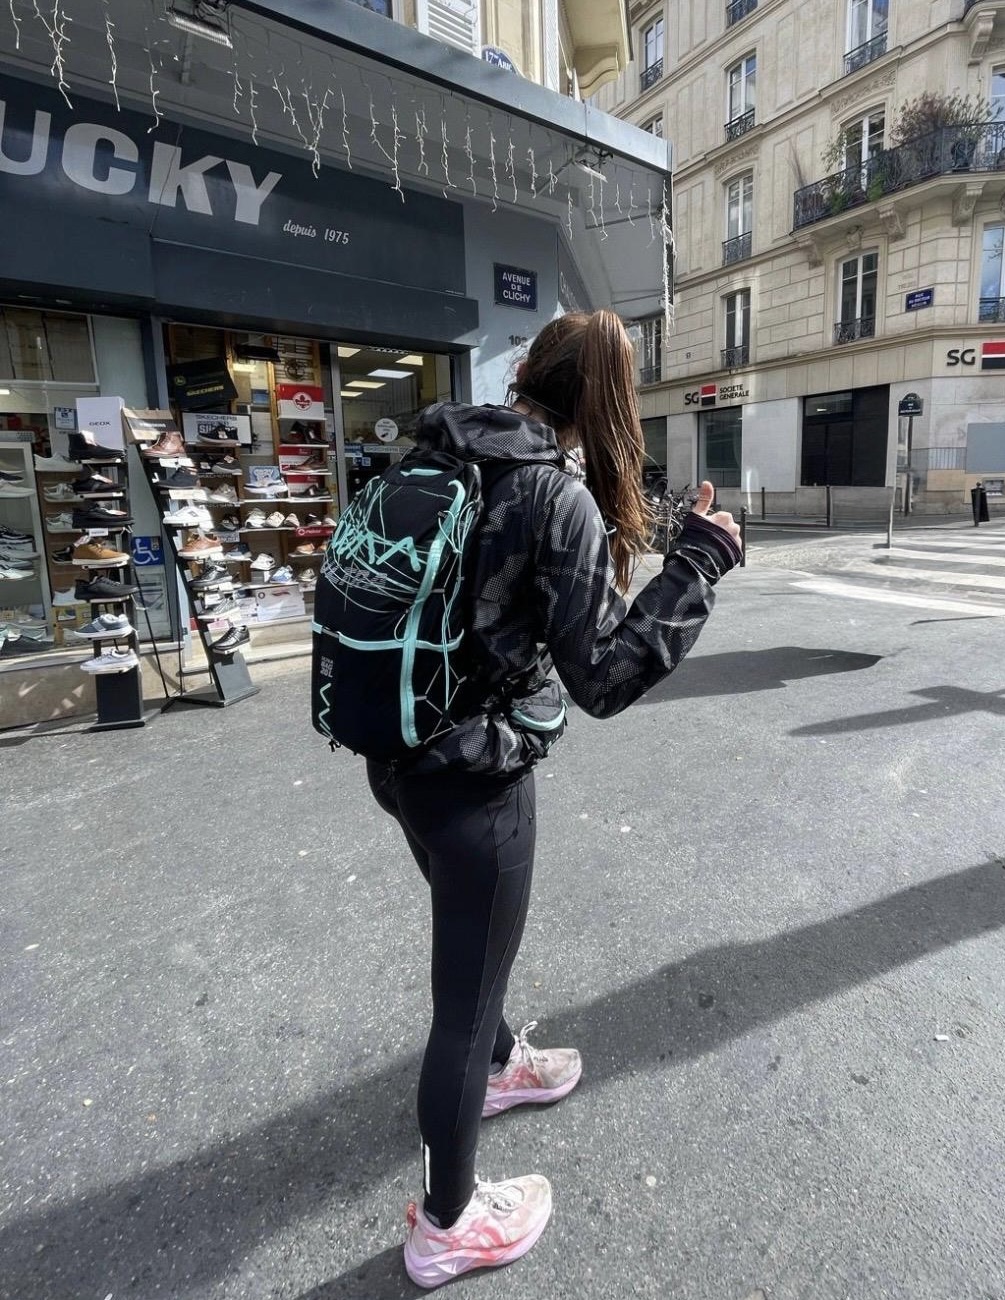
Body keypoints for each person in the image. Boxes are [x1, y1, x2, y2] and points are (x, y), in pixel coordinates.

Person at [365, 309, 743, 1289]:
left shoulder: (436, 448)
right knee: (462, 997)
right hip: (478, 781)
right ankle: (446, 1222)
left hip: (397, 755)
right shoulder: (548, 496)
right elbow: (606, 676)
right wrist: (697, 562)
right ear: (602, 404)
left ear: (526, 369)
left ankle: (499, 1066)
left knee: (471, 962)